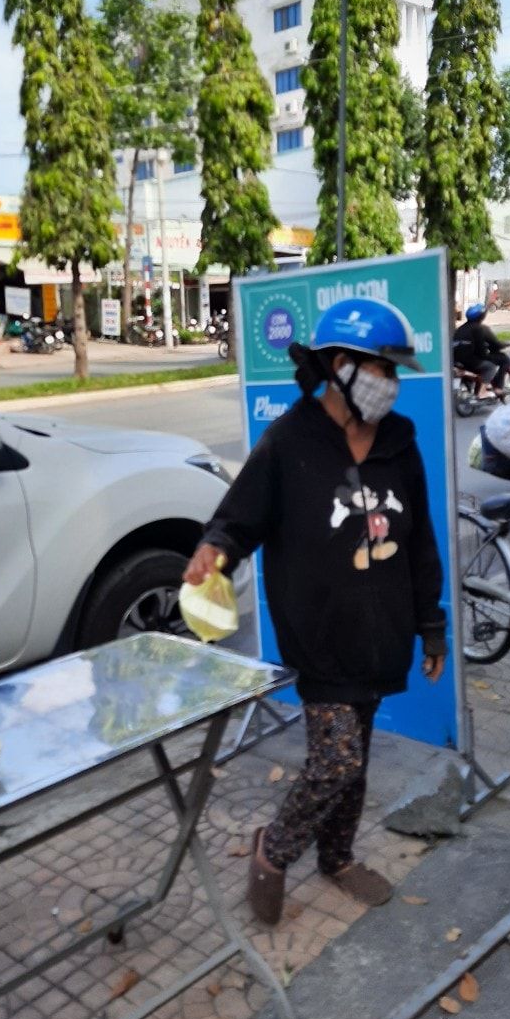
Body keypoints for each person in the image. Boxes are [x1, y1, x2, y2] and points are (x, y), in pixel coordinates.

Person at [183, 298, 447, 925]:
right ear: (339, 366)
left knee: (357, 757)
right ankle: (273, 852)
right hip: (319, 633)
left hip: (382, 635)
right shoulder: (288, 441)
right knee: (337, 760)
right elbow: (239, 518)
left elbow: (419, 542)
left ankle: (338, 858)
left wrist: (431, 626)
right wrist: (214, 548)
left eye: (394, 371)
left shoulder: (400, 444)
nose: (391, 383)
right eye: (383, 369)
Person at [453, 304, 510, 399]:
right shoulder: (481, 328)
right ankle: (487, 390)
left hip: (457, 360)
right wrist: (505, 344)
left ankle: (481, 385)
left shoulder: (460, 329)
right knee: (500, 361)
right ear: (482, 316)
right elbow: (494, 344)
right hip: (473, 360)